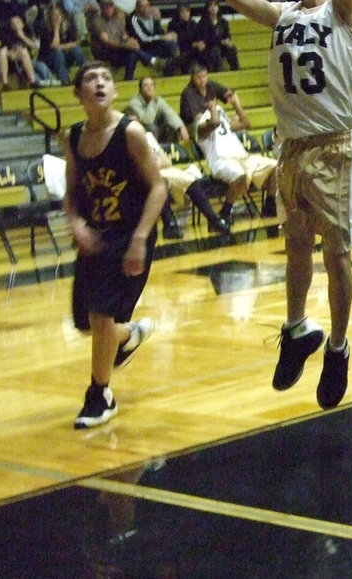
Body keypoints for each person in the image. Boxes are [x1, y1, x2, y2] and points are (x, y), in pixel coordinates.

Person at [223, 0, 352, 410]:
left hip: (336, 146)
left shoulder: (344, 12)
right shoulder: (284, 14)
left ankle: (338, 346)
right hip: (292, 150)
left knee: (337, 255)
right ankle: (296, 329)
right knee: (295, 249)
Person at [64, 60, 167, 429]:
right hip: (95, 236)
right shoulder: (74, 137)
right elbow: (73, 191)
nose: (100, 83)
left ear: (115, 90)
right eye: (90, 79)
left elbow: (159, 186)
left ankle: (99, 394)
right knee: (86, 323)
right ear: (79, 93)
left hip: (129, 234)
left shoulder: (130, 132)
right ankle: (130, 335)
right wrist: (75, 222)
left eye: (106, 77)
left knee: (100, 315)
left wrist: (140, 238)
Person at [179, 63, 275, 223]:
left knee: (276, 166)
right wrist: (213, 108)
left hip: (241, 156)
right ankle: (225, 211)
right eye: (199, 78)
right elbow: (214, 123)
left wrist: (236, 104)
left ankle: (270, 205)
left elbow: (246, 123)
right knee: (241, 176)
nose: (203, 81)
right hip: (220, 161)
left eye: (205, 77)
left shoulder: (221, 113)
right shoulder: (200, 127)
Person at [142, 130, 231, 239]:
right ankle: (169, 225)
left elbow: (167, 161)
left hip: (164, 170)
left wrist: (157, 163)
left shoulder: (148, 136)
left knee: (190, 179)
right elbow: (141, 166)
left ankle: (213, 220)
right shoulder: (131, 141)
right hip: (145, 176)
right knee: (160, 183)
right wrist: (158, 163)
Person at [89, 0, 160, 81]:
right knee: (131, 50)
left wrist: (131, 41)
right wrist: (125, 46)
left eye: (110, 7)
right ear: (101, 9)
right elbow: (106, 42)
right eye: (106, 7)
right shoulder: (97, 21)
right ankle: (154, 61)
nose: (108, 10)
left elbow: (124, 35)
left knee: (132, 53)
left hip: (118, 50)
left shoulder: (117, 20)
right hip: (104, 52)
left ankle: (128, 79)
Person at [125, 76, 189, 143]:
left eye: (151, 85)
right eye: (146, 85)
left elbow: (170, 113)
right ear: (140, 89)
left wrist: (180, 127)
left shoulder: (158, 100)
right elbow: (147, 120)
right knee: (151, 127)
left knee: (172, 125)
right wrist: (151, 101)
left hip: (156, 129)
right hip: (142, 131)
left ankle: (170, 149)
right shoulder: (134, 102)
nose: (149, 88)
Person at [36, 4, 85, 86]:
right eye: (54, 15)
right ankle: (64, 80)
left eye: (58, 15)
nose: (56, 18)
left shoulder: (67, 26)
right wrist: (56, 29)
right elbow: (54, 46)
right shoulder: (45, 29)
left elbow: (75, 43)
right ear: (50, 17)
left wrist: (61, 47)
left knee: (76, 49)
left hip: (63, 56)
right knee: (57, 52)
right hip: (48, 59)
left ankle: (86, 74)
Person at [128, 0, 178, 75]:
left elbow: (160, 33)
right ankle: (158, 63)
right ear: (137, 8)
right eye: (142, 6)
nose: (145, 9)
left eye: (147, 6)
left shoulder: (153, 17)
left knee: (171, 42)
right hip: (142, 49)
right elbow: (143, 39)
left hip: (154, 47)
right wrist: (161, 37)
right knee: (133, 53)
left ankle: (177, 66)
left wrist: (168, 34)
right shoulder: (133, 19)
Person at [193, 0, 240, 72]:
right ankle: (218, 72)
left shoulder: (223, 22)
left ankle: (236, 70)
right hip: (208, 48)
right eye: (211, 5)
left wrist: (228, 40)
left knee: (232, 48)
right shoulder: (202, 23)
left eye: (215, 5)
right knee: (216, 50)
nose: (213, 8)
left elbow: (227, 35)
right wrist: (221, 41)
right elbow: (206, 40)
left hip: (222, 47)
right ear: (207, 8)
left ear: (218, 7)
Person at [167, 3, 198, 74]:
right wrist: (191, 43)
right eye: (182, 12)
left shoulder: (193, 24)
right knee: (184, 56)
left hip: (193, 49)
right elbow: (175, 40)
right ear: (178, 13)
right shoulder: (172, 24)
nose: (185, 14)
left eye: (187, 11)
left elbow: (197, 37)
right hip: (180, 49)